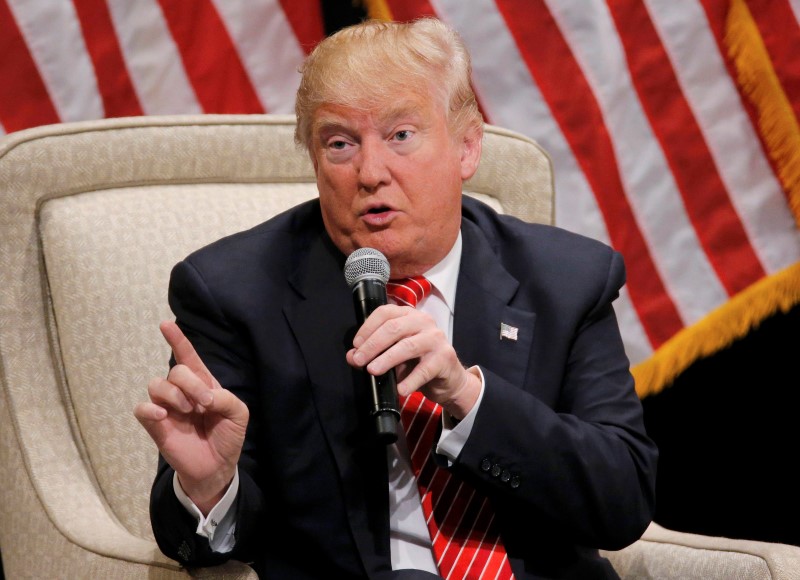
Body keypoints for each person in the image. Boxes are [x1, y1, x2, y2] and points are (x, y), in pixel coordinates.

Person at [134, 17, 658, 579]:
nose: (370, 173)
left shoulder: (566, 279)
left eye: (401, 135)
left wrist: (466, 396)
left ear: (467, 147)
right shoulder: (234, 292)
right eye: (340, 143)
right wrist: (211, 488)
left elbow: (621, 501)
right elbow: (193, 540)